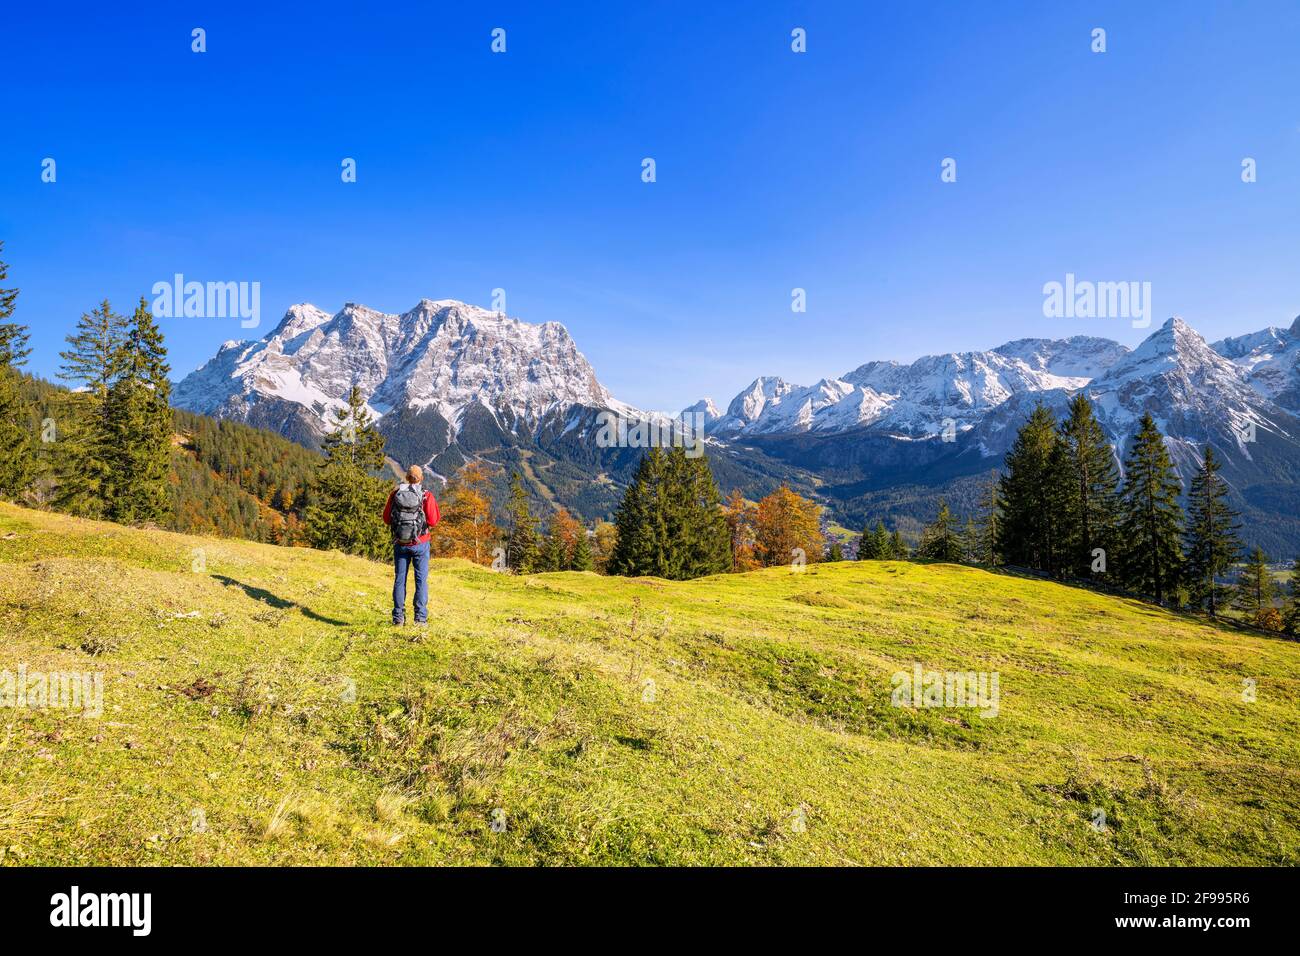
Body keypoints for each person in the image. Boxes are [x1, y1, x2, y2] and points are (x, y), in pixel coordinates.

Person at [382, 465, 441, 626]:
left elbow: (387, 519)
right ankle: (420, 619)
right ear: (421, 478)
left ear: (407, 478)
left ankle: (398, 618)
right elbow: (434, 520)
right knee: (421, 580)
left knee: (400, 579)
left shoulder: (396, 494)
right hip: (420, 543)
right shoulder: (426, 495)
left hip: (400, 543)